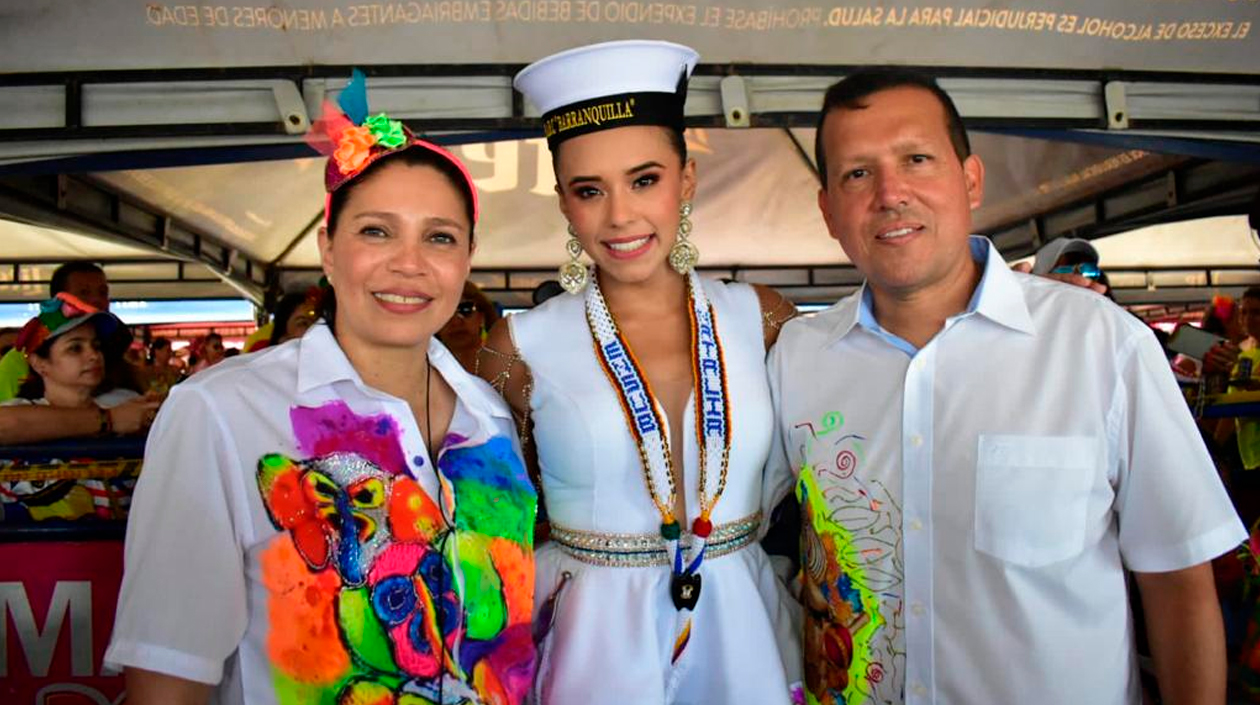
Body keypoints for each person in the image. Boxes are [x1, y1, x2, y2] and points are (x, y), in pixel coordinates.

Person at [768, 67, 1245, 705]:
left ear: (970, 179)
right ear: (828, 210)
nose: (890, 193)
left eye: (917, 159)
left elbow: (1179, 580)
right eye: (857, 173)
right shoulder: (797, 358)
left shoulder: (1098, 343)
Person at [105, 74, 537, 705]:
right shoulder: (221, 413)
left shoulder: (489, 418)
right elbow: (168, 671)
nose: (409, 263)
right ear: (328, 250)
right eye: (376, 231)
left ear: (467, 259)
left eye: (439, 236)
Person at [478, 41, 801, 704]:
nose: (620, 216)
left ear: (686, 178)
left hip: (742, 625)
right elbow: (496, 513)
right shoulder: (518, 343)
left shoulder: (761, 317)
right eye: (589, 190)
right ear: (565, 203)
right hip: (592, 641)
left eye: (644, 180)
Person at [0, 294, 158, 444]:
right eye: (75, 348)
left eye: (96, 346)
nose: (94, 356)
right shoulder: (19, 410)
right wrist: (109, 420)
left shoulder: (122, 401)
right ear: (39, 363)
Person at [0, 262, 116, 402]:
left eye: (103, 293)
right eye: (75, 348)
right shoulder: (17, 361)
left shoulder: (115, 346)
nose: (97, 300)